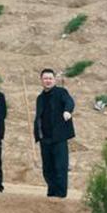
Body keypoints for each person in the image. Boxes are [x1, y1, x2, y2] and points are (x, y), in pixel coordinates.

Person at [34, 69, 75, 197]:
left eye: (50, 78)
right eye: (45, 78)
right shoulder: (40, 98)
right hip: (45, 138)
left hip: (59, 138)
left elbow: (69, 102)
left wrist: (67, 111)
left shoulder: (61, 92)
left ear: (54, 80)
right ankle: (51, 193)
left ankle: (61, 195)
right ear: (41, 80)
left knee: (60, 167)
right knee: (47, 168)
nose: (48, 81)